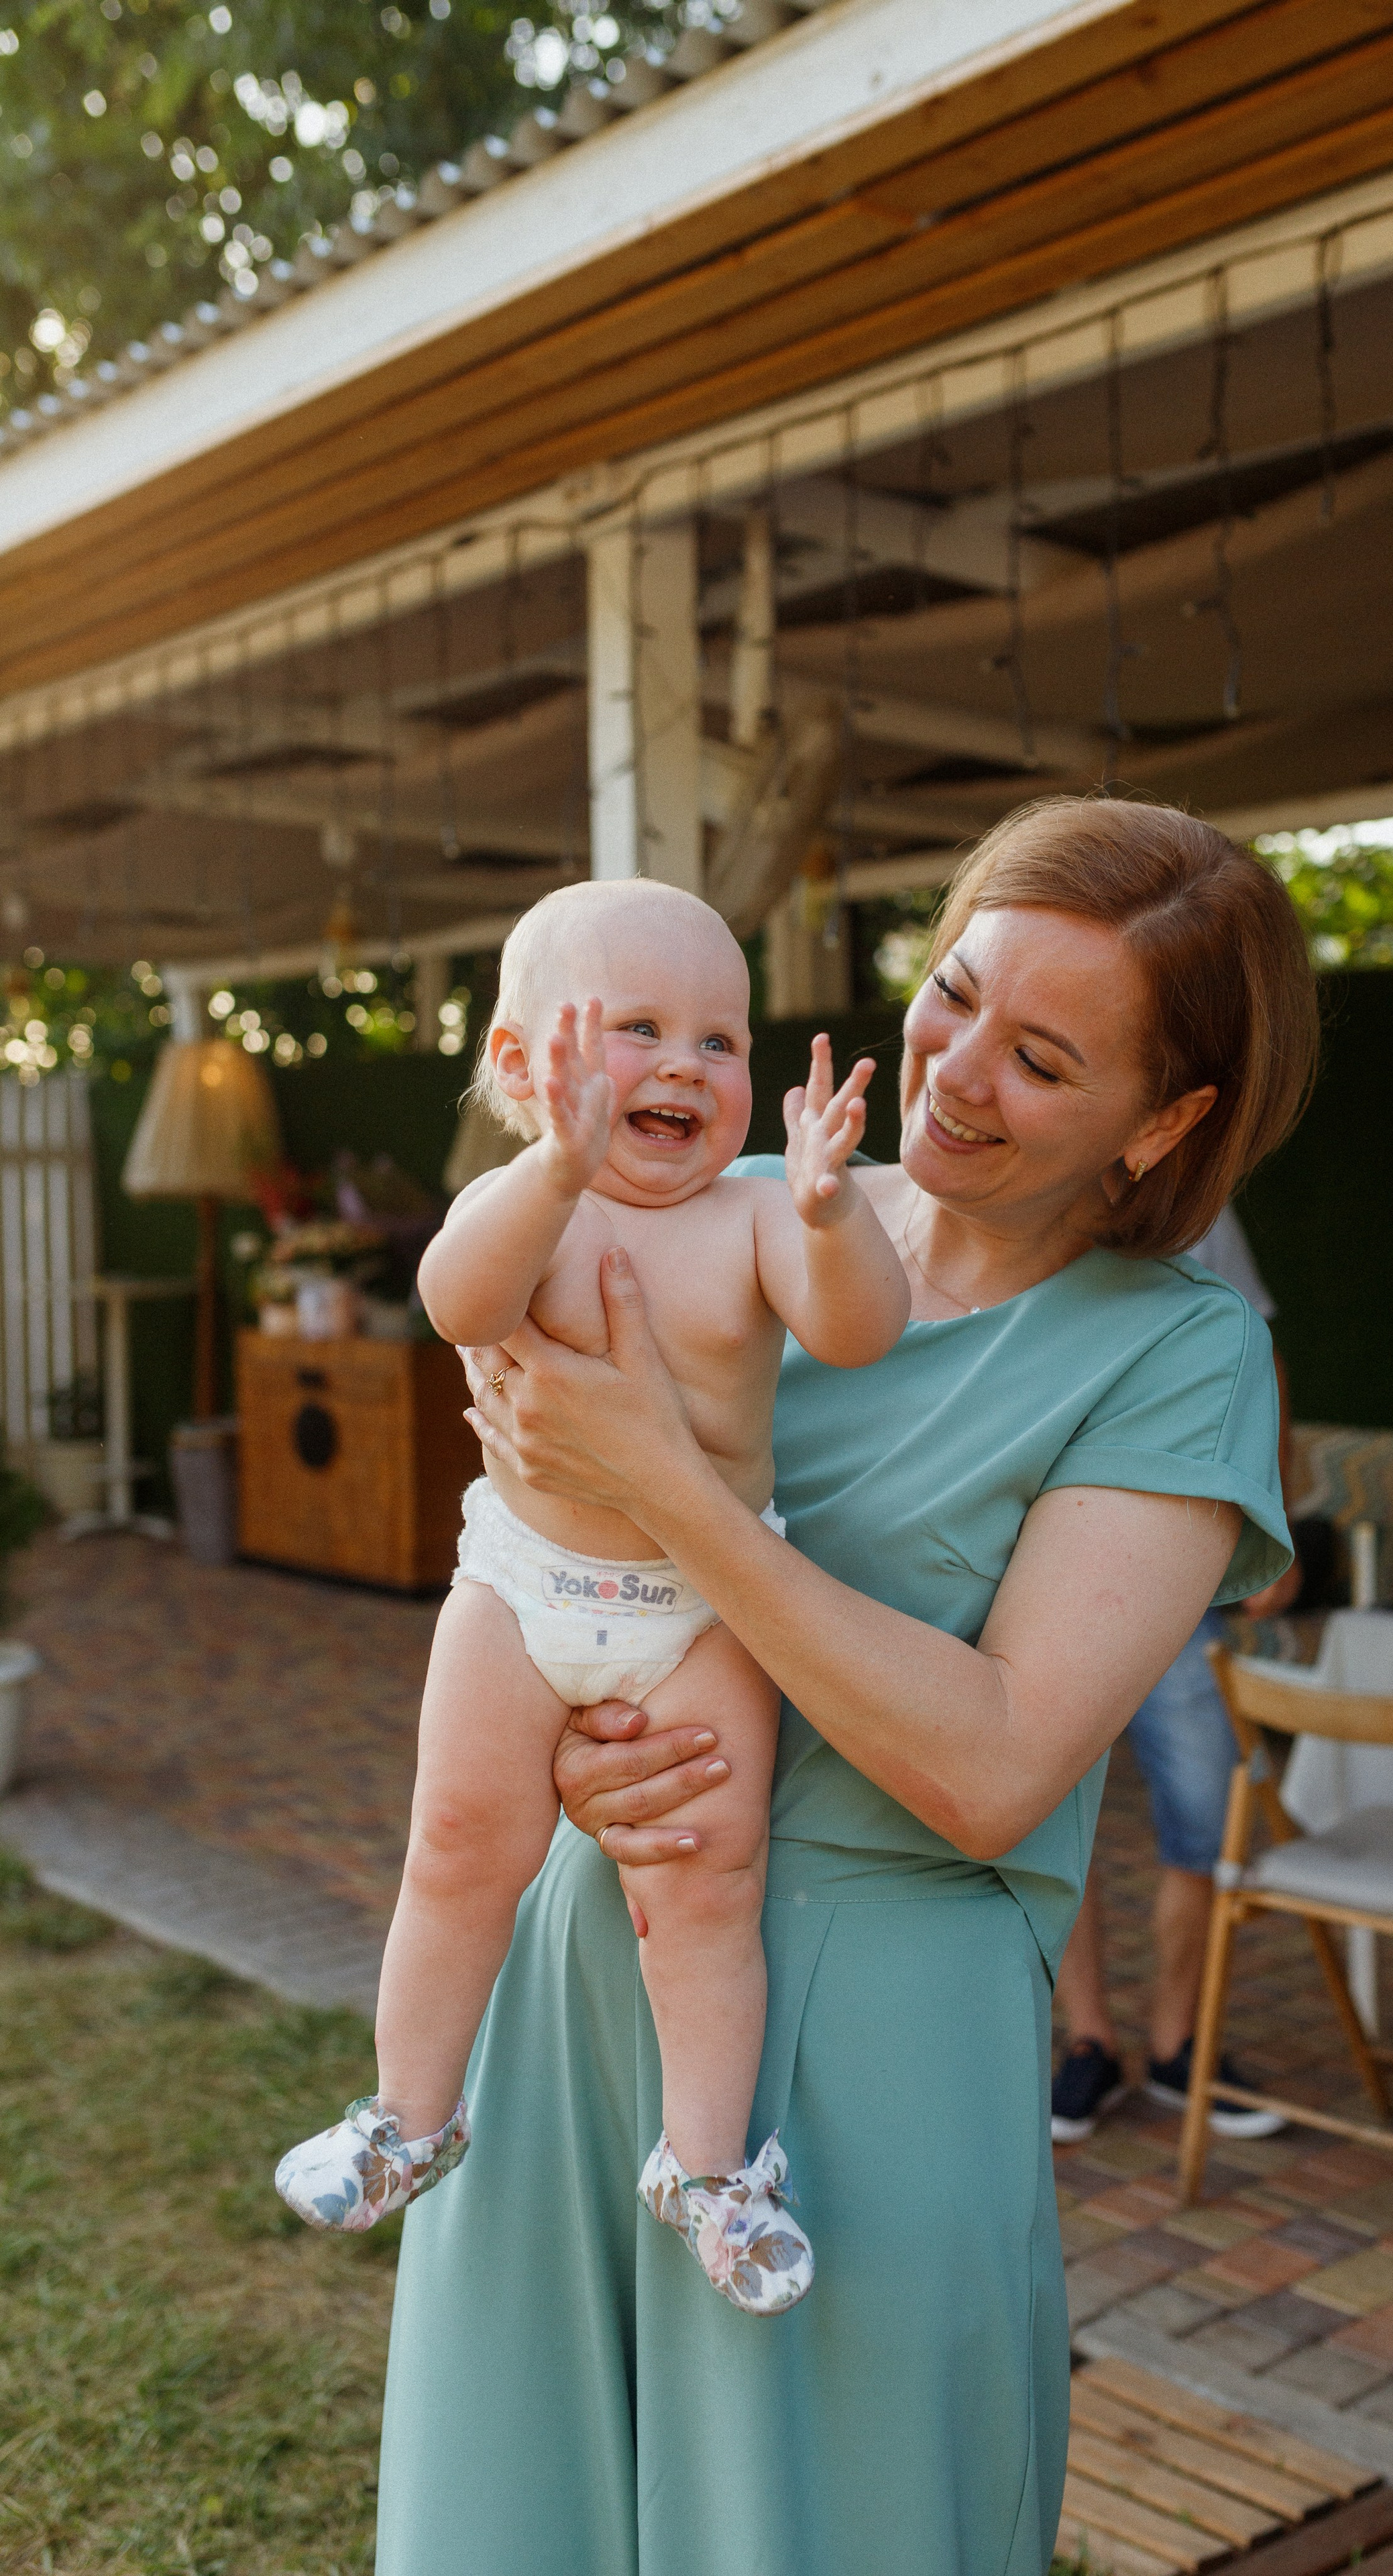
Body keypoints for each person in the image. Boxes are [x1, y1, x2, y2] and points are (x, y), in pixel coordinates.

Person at [374, 797, 1317, 2576]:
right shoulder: (729, 1206)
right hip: (596, 1974)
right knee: (528, 2513)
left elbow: (996, 1765)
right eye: (953, 997)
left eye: (1042, 1058)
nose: (955, 1074)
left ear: (1165, 1118)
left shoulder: (1176, 1357)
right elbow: (535, 1531)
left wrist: (672, 1487)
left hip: (882, 2052)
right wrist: (571, 1747)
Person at [276, 881, 910, 2318]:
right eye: (639, 1030)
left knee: (702, 1886)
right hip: (521, 1583)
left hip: (702, 1602)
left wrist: (826, 1212)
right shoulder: (525, 1209)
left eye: (721, 1040)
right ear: (520, 1068)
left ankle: (708, 2172)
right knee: (455, 1845)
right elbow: (452, 1301)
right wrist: (552, 1174)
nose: (687, 1065)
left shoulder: (753, 1220)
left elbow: (857, 1334)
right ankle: (407, 2118)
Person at [1048, 1205, 1301, 2145]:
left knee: (1206, 1818)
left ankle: (1177, 2043)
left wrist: (1274, 1513)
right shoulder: (1025, 1186)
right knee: (1048, 1812)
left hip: (1183, 1565)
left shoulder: (1205, 1205)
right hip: (1040, 1567)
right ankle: (1088, 2042)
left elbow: (1258, 1355)